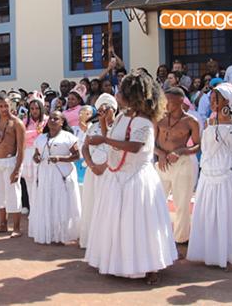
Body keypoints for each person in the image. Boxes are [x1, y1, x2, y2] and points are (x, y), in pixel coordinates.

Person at [84, 70, 177, 285]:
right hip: (116, 177)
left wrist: (104, 141)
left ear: (131, 94)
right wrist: (106, 128)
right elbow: (114, 139)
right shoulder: (122, 116)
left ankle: (150, 266)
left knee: (140, 224)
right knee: (118, 223)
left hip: (137, 179)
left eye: (120, 91)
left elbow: (135, 147)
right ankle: (119, 263)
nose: (116, 94)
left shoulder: (144, 122)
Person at [187, 83, 232, 269]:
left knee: (229, 213)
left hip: (230, 175)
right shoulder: (208, 123)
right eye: (211, 99)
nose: (212, 102)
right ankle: (211, 252)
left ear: (227, 101)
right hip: (210, 175)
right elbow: (205, 149)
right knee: (211, 212)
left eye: (216, 99)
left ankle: (230, 252)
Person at [155, 87, 200, 245]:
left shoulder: (190, 121)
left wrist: (181, 151)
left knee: (182, 203)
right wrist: (160, 153)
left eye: (170, 102)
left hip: (182, 163)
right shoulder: (159, 118)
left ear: (181, 101)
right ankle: (157, 237)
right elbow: (151, 143)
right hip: (161, 163)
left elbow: (197, 146)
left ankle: (181, 240)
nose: (166, 104)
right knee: (156, 201)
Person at [30, 111, 81, 244]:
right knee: (48, 202)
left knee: (61, 203)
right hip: (45, 175)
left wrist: (60, 158)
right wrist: (36, 158)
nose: (52, 120)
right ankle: (49, 233)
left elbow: (77, 155)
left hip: (62, 175)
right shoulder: (41, 138)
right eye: (51, 118)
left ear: (62, 122)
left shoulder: (68, 137)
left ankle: (62, 235)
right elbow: (36, 154)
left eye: (56, 119)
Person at [0, 94, 26, 238]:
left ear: (11, 105)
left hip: (10, 162)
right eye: (1, 106)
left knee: (13, 194)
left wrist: (17, 169)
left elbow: (21, 149)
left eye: (6, 106)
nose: (4, 109)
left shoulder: (17, 123)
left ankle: (17, 227)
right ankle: (2, 225)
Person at [79, 93, 116, 248]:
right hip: (93, 171)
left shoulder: (117, 128)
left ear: (114, 109)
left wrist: (104, 166)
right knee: (91, 204)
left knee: (108, 207)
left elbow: (117, 150)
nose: (103, 111)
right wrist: (92, 166)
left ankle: (107, 242)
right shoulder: (93, 127)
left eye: (106, 109)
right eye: (100, 109)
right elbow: (85, 147)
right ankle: (91, 241)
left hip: (110, 172)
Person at [22, 91, 48, 232]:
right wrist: (35, 133)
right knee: (29, 184)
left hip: (41, 154)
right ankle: (33, 212)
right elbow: (21, 137)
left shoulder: (47, 120)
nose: (34, 111)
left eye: (37, 108)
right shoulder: (25, 122)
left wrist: (31, 135)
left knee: (41, 184)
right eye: (32, 108)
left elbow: (45, 135)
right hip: (27, 155)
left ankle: (42, 213)